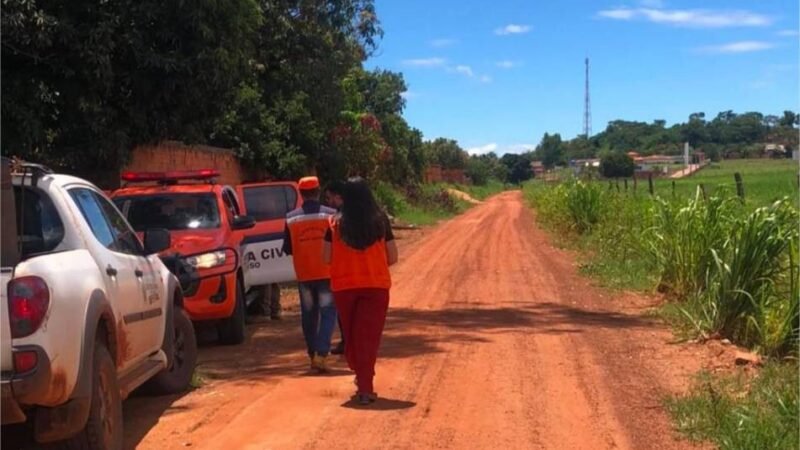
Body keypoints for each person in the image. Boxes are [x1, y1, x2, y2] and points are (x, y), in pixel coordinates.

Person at [323, 177, 398, 405]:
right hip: (376, 287)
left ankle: (362, 381)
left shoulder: (333, 224)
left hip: (344, 288)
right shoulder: (380, 222)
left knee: (352, 337)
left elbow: (326, 258)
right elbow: (393, 257)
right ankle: (365, 384)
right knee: (368, 338)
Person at [282, 176, 338, 372]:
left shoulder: (291, 218)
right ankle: (322, 353)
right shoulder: (331, 215)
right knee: (329, 312)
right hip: (327, 272)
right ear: (318, 190)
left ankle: (312, 353)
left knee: (309, 315)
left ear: (301, 193)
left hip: (304, 274)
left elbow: (287, 248)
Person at [324, 181, 346, 355]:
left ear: (338, 196)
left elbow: (326, 257)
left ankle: (348, 342)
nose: (328, 201)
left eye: (330, 197)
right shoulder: (373, 218)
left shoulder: (334, 221)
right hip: (369, 278)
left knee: (343, 314)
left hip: (342, 279)